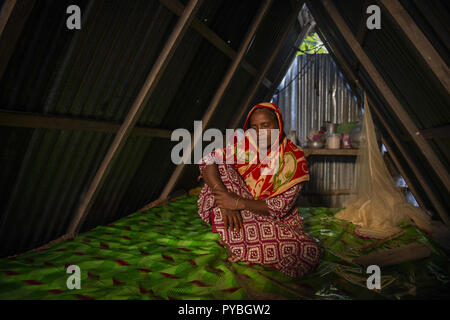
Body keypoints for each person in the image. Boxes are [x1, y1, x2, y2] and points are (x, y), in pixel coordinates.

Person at [197, 102, 320, 278]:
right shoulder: (245, 148)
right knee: (218, 168)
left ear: (278, 125)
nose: (259, 133)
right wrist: (225, 199)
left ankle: (240, 245)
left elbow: (278, 208)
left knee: (310, 250)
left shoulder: (294, 158)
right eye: (254, 127)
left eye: (265, 126)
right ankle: (237, 242)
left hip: (276, 222)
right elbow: (206, 159)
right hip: (242, 215)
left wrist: (236, 202)